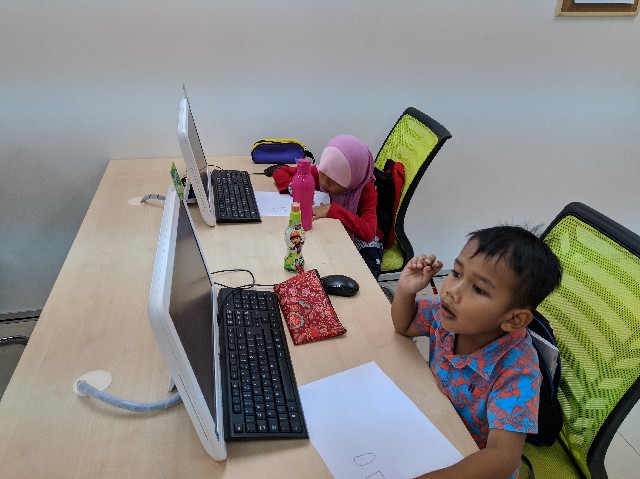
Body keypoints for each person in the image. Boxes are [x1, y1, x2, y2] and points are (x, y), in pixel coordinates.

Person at [391, 226, 562, 479]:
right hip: (435, 423)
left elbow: (503, 458)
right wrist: (406, 290)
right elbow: (404, 325)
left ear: (514, 319)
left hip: (472, 461)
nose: (452, 290)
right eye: (457, 273)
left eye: (479, 289)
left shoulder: (518, 372)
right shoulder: (447, 315)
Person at [272, 134, 383, 278]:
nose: (324, 182)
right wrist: (296, 188)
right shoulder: (320, 173)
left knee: (363, 277)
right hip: (331, 236)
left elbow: (368, 233)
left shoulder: (366, 190)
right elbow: (280, 171)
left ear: (353, 178)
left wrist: (333, 210)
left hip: (361, 240)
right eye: (323, 173)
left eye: (334, 180)